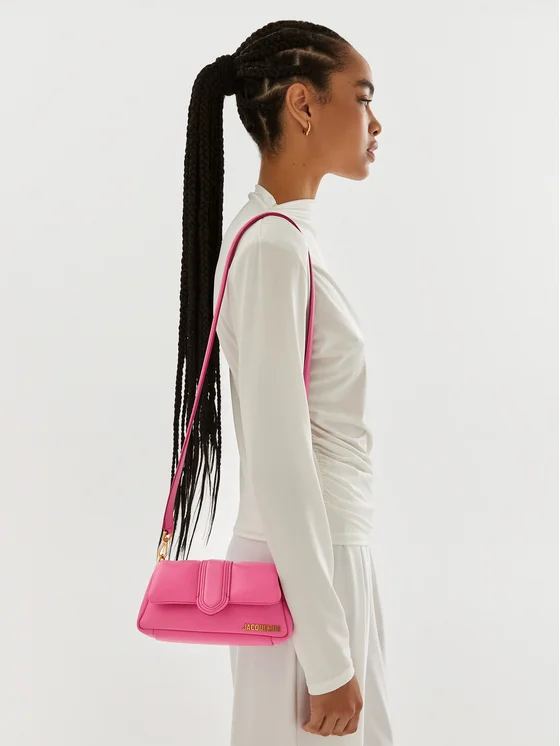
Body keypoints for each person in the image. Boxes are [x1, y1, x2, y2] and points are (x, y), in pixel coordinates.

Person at [165, 19, 393, 745]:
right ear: (303, 104)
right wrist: (328, 656)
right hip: (307, 577)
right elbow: (279, 456)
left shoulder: (277, 236)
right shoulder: (272, 247)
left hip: (311, 566)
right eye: (362, 97)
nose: (376, 122)